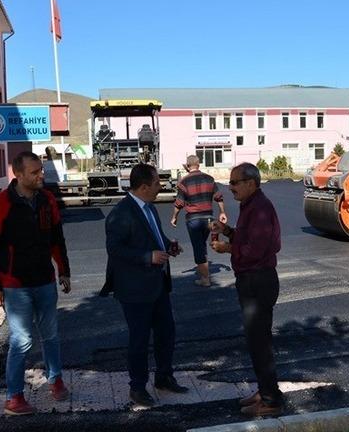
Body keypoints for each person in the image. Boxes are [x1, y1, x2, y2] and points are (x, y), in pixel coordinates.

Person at [0, 151, 72, 416]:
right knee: (21, 340)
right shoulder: (0, 203)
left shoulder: (47, 200)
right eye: (35, 172)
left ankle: (55, 380)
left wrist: (64, 271)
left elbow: (56, 238)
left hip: (45, 281)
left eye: (41, 169)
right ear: (18, 175)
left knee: (51, 335)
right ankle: (14, 397)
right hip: (15, 285)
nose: (41, 175)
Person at [101, 163, 189, 407]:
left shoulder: (149, 207)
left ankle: (164, 377)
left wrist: (168, 245)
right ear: (143, 187)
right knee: (139, 339)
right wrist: (147, 256)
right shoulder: (121, 213)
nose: (161, 186)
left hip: (157, 284)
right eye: (157, 183)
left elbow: (154, 237)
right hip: (134, 288)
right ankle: (137, 387)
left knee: (166, 333)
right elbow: (115, 249)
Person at [210, 163, 284, 417]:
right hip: (252, 280)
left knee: (259, 343)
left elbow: (256, 249)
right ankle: (265, 390)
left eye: (234, 182)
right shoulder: (250, 205)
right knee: (257, 341)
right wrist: (227, 231)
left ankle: (271, 400)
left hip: (258, 281)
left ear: (251, 183)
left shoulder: (260, 208)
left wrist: (227, 248)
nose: (230, 187)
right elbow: (246, 238)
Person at [169, 155, 227, 287]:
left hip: (193, 219)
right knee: (201, 244)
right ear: (199, 165)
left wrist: (174, 216)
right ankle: (204, 273)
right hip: (208, 218)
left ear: (187, 166)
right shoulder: (209, 179)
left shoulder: (184, 182)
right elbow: (219, 197)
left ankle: (205, 279)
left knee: (198, 246)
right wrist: (222, 212)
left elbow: (179, 203)